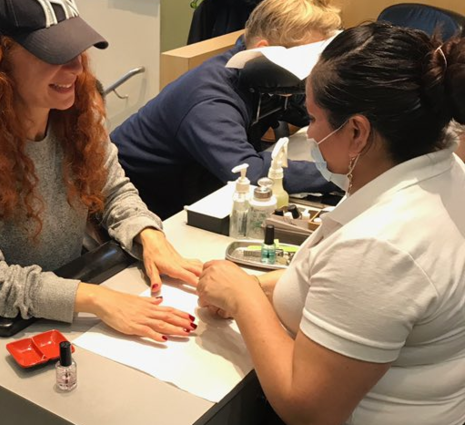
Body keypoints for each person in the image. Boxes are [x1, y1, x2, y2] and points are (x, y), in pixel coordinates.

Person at [0, 0, 202, 343]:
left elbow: (115, 192)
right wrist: (97, 299)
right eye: (52, 52)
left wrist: (149, 236)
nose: (76, 67)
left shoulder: (76, 117)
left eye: (76, 48)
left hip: (54, 310)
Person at [197, 21, 465, 425]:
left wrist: (243, 298)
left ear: (357, 131)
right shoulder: (447, 173)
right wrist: (263, 287)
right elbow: (361, 303)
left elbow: (309, 408)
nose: (312, 133)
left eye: (315, 119)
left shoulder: (382, 245)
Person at [111, 0, 343, 219]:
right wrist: (340, 173)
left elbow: (304, 113)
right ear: (265, 51)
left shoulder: (264, 79)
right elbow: (247, 172)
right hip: (138, 201)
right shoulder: (210, 98)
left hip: (194, 183)